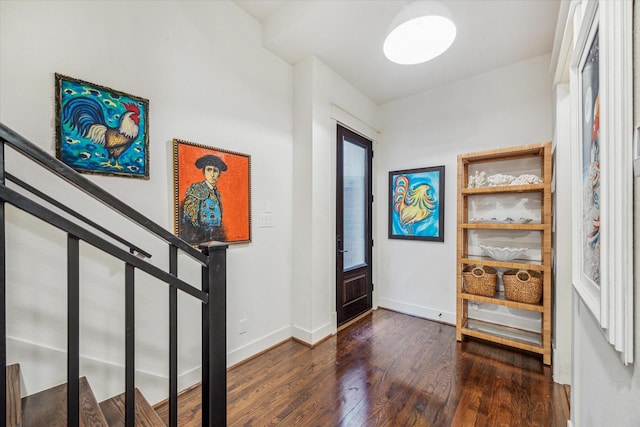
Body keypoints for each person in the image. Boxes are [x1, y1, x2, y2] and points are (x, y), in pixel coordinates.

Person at [180, 154, 227, 244]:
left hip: (215, 237)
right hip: (200, 237)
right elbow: (189, 218)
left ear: (219, 174)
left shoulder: (217, 193)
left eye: (215, 171)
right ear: (204, 172)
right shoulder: (196, 190)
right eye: (209, 170)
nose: (212, 174)